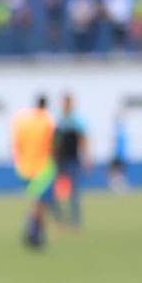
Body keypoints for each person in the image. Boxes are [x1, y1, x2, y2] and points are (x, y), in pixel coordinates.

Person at [11, 94, 57, 249]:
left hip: (25, 167)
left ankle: (36, 232)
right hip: (43, 167)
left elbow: (17, 142)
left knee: (38, 201)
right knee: (41, 202)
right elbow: (52, 143)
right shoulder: (47, 121)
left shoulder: (24, 121)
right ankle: (34, 231)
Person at [53, 92, 89, 227]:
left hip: (73, 160)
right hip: (60, 161)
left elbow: (83, 139)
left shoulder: (77, 120)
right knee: (55, 192)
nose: (66, 105)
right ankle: (60, 219)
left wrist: (86, 156)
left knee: (74, 192)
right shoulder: (60, 121)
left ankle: (75, 221)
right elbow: (55, 142)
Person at [108, 108, 130, 193]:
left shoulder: (120, 132)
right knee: (116, 173)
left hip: (119, 156)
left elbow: (119, 146)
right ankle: (120, 187)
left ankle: (121, 187)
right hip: (121, 156)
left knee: (114, 172)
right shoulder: (121, 132)